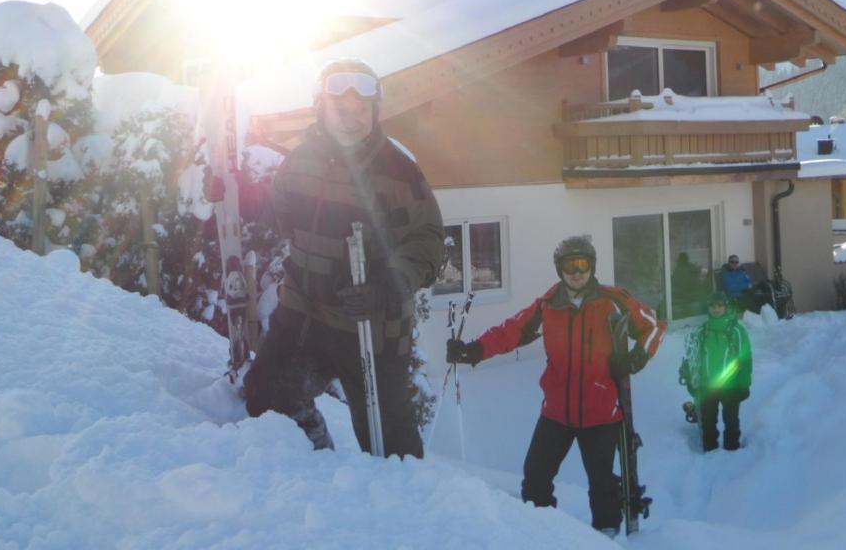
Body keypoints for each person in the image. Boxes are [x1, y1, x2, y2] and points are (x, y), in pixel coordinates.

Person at [243, 58, 445, 458]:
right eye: (340, 110)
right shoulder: (299, 162)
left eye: (361, 110)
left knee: (390, 443)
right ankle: (317, 463)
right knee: (265, 396)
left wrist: (388, 284)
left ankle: (405, 507)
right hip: (303, 315)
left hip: (372, 327)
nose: (351, 120)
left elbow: (429, 241)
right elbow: (279, 218)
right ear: (322, 108)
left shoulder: (399, 173)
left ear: (374, 112)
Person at [447, 236, 666, 538]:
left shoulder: (613, 301)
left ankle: (606, 539)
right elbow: (511, 331)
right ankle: (543, 535)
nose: (577, 272)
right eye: (569, 265)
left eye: (583, 264)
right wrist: (474, 350)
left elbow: (654, 326)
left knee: (602, 486)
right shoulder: (547, 306)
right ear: (559, 269)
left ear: (592, 266)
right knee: (535, 478)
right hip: (556, 413)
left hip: (601, 413)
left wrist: (635, 358)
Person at [678, 292, 752, 451]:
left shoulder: (737, 331)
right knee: (708, 420)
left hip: (731, 386)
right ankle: (709, 450)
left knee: (731, 420)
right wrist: (692, 380)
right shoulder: (702, 331)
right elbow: (693, 358)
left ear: (726, 307)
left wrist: (744, 384)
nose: (716, 309)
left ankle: (732, 450)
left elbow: (745, 360)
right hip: (707, 385)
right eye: (712, 305)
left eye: (720, 305)